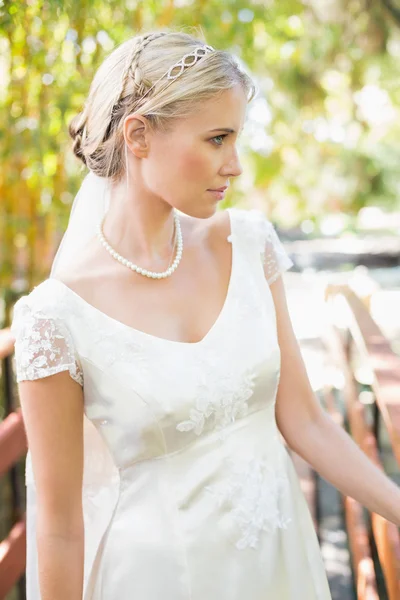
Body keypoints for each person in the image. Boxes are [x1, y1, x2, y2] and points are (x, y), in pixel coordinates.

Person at [10, 28, 400, 600]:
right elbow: (62, 527)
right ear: (138, 135)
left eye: (236, 138)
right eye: (217, 139)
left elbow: (306, 421)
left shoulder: (247, 246)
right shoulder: (55, 319)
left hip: (280, 562)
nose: (236, 165)